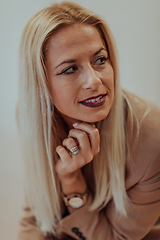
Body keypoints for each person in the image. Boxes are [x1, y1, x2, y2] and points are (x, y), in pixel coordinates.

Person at [17, 1, 160, 240]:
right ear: (40, 83)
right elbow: (35, 216)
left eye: (100, 60)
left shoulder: (151, 141)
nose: (94, 81)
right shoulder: (32, 117)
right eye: (70, 69)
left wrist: (72, 181)